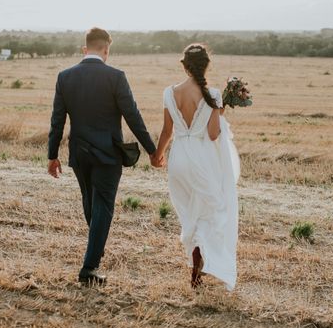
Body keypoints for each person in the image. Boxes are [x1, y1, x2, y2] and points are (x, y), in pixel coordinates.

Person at [47, 27, 163, 285]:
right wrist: (153, 150)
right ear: (106, 51)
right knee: (102, 207)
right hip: (108, 155)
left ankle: (95, 249)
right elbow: (133, 117)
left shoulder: (65, 77)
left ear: (84, 49)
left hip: (79, 153)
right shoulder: (116, 77)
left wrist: (52, 155)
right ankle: (89, 267)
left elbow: (57, 120)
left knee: (90, 203)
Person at [153, 43, 240, 290]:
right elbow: (213, 134)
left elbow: (167, 131)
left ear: (184, 65)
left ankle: (196, 265)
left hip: (179, 159)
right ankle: (197, 270)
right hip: (201, 160)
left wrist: (157, 155)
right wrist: (219, 112)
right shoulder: (213, 95)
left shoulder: (169, 93)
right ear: (207, 65)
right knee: (209, 213)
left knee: (190, 215)